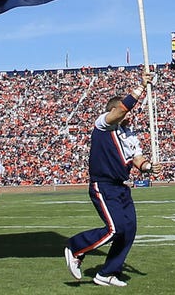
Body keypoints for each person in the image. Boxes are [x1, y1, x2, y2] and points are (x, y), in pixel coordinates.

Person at [65, 73, 156, 287]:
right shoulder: (103, 124)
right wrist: (140, 87)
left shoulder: (129, 135)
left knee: (128, 230)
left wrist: (149, 167)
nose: (130, 115)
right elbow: (122, 109)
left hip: (121, 188)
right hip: (103, 184)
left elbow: (138, 160)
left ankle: (107, 273)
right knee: (115, 228)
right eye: (125, 112)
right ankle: (76, 247)